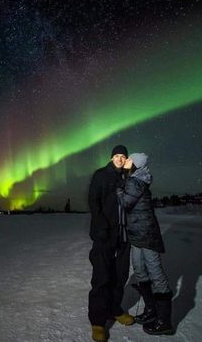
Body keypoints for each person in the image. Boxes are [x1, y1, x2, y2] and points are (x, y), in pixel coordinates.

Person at [116, 153, 174, 335]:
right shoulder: (134, 179)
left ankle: (164, 322)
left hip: (146, 236)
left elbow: (125, 202)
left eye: (129, 160)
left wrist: (118, 189)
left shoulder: (135, 181)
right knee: (140, 271)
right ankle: (151, 311)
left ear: (136, 164)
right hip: (137, 236)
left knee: (156, 275)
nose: (125, 162)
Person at [88, 145, 134, 342]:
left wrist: (132, 172)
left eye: (123, 156)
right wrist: (100, 227)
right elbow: (93, 201)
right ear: (111, 157)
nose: (120, 159)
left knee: (120, 275)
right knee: (102, 277)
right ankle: (98, 322)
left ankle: (114, 310)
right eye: (117, 156)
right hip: (104, 235)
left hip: (124, 235)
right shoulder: (101, 175)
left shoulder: (127, 177)